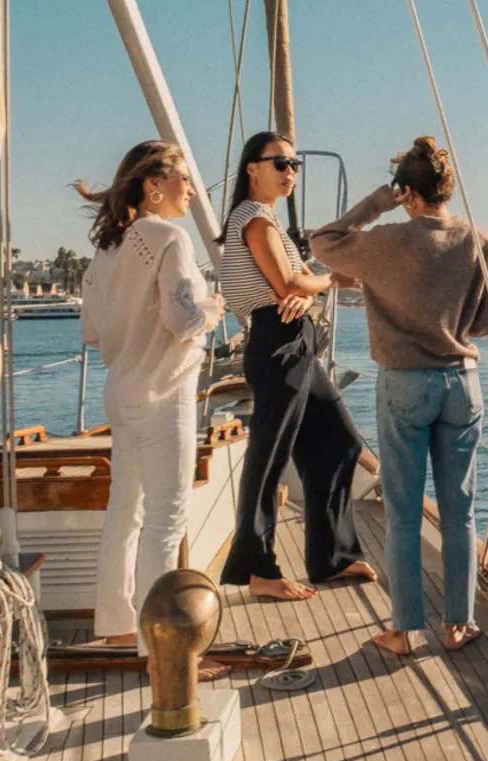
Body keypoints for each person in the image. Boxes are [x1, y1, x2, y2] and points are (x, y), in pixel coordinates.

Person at [313, 136, 488, 654]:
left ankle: (405, 630)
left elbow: (323, 241)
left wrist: (379, 202)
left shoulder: (389, 241)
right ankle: (459, 625)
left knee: (401, 510)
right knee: (459, 510)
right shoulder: (477, 240)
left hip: (405, 385)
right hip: (462, 385)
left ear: (409, 194)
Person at [76, 141, 226, 650]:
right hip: (165, 394)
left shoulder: (106, 249)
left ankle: (117, 625)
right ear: (153, 184)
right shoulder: (169, 238)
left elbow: (92, 332)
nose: (191, 188)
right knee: (166, 517)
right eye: (183, 178)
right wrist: (212, 307)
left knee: (126, 511)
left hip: (121, 392)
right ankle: (159, 650)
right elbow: (182, 320)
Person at [216, 131, 375, 600]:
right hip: (277, 346)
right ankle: (259, 570)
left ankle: (331, 558)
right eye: (280, 163)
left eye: (294, 165)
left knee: (339, 443)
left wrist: (303, 298)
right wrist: (331, 281)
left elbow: (288, 290)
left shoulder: (264, 220)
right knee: (269, 459)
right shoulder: (255, 221)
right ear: (252, 169)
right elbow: (286, 281)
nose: (290, 172)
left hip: (292, 339)